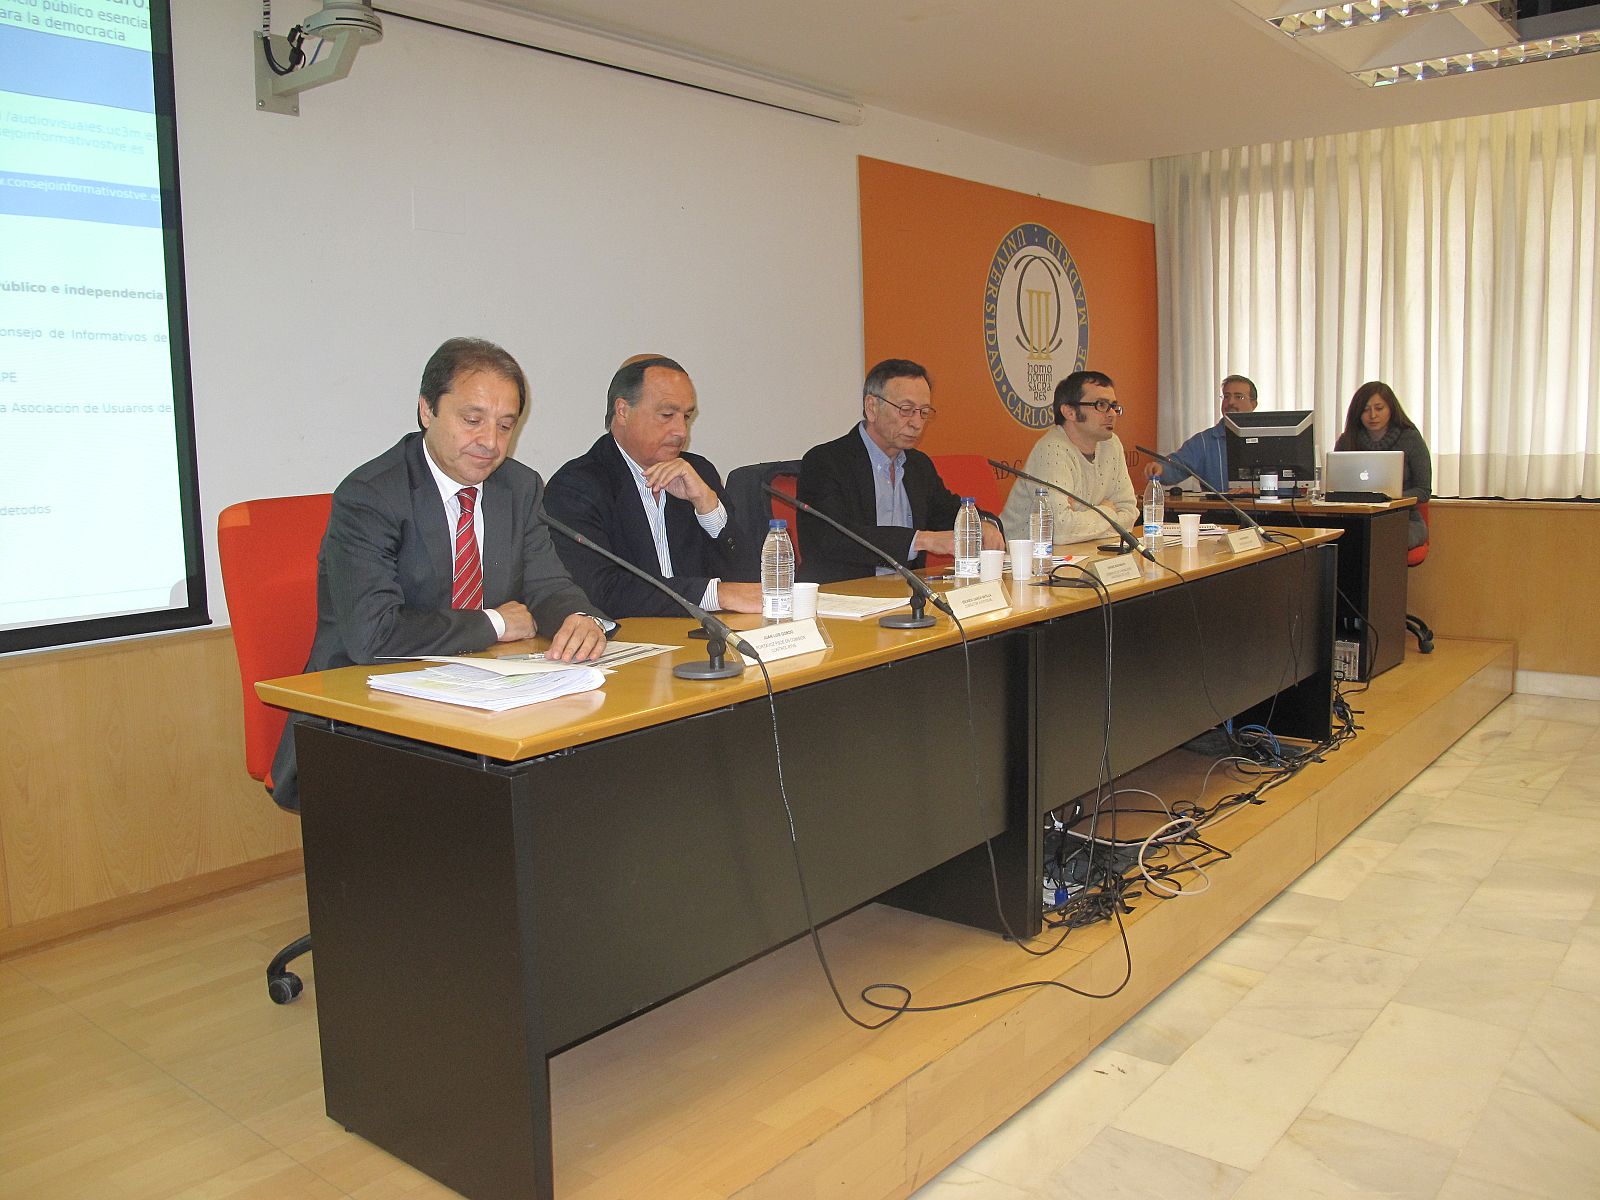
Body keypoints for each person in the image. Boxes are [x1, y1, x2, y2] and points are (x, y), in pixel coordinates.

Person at [267, 336, 610, 811]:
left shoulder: (519, 485)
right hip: (366, 710)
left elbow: (548, 584)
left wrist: (579, 617)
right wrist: (493, 622)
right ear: (427, 410)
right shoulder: (371, 495)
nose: (491, 442)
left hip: (480, 692)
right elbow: (373, 636)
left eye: (505, 425)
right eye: (473, 420)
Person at [544, 356, 761, 617]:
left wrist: (707, 506)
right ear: (623, 411)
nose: (681, 431)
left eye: (686, 417)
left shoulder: (698, 473)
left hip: (700, 639)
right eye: (667, 415)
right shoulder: (576, 486)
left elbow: (748, 583)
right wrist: (715, 594)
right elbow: (600, 591)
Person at [796, 358, 1003, 584]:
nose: (917, 423)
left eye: (924, 412)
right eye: (906, 410)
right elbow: (832, 538)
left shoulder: (918, 465)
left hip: (909, 597)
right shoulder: (825, 462)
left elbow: (949, 513)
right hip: (844, 598)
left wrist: (983, 524)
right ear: (872, 408)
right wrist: (921, 540)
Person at [999, 370, 1139, 546]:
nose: (1112, 413)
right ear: (1069, 412)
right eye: (1101, 405)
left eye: (1113, 406)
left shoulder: (1111, 444)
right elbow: (1059, 531)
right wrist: (1107, 511)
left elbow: (1129, 513)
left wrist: (1082, 517)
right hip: (1028, 564)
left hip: (1084, 551)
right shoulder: (1052, 450)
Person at [1335, 380, 1432, 549]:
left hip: (1404, 519)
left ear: (1391, 409)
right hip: (1355, 519)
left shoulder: (1410, 438)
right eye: (1365, 410)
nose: (1373, 415)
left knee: (1381, 540)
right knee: (1341, 540)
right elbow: (1334, 487)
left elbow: (1424, 491)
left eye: (1379, 408)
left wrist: (1386, 498)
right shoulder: (1347, 440)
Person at [1143, 374, 1258, 491]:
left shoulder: (1272, 438)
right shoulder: (1204, 441)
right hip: (1219, 509)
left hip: (1268, 508)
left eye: (1239, 397)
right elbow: (1178, 465)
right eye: (1226, 396)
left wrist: (1262, 491)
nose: (1231, 402)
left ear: (1254, 404)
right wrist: (1161, 469)